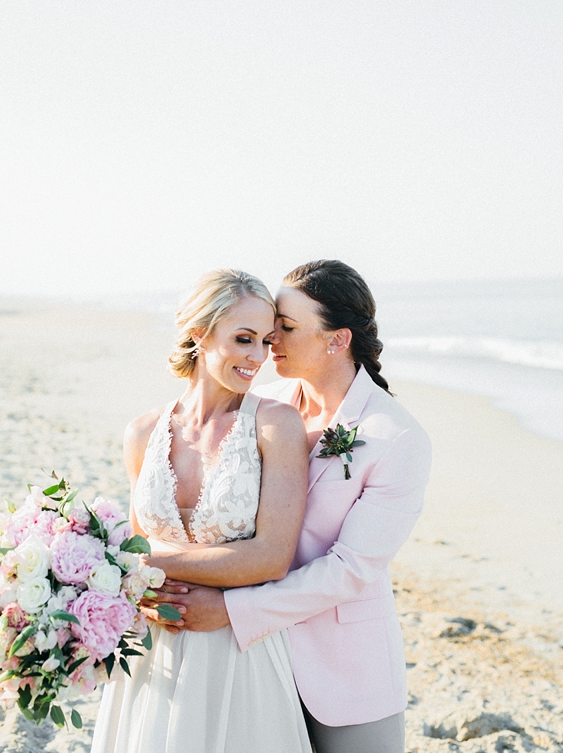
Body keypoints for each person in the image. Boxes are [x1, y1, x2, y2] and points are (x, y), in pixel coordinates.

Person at [154, 260, 432, 753]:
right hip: (249, 662)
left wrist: (232, 609)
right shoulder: (260, 404)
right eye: (266, 328)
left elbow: (349, 570)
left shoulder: (397, 437)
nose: (269, 341)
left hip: (344, 669)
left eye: (285, 327)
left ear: (337, 339)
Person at [90, 269, 312, 753]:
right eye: (243, 339)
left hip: (236, 648)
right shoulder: (142, 432)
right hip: (155, 651)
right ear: (199, 333)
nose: (258, 357)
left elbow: (272, 556)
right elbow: (136, 541)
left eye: (266, 341)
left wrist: (147, 568)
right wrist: (130, 578)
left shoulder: (275, 426)